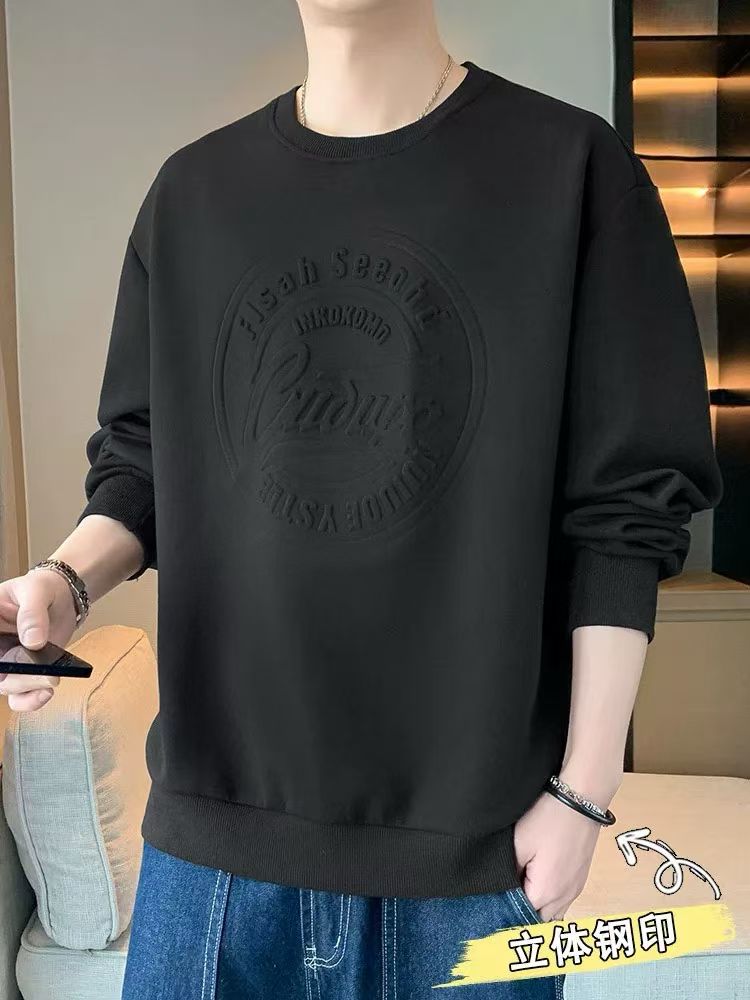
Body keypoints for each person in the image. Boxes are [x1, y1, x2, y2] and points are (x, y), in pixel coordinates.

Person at [0, 1, 723, 997]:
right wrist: (64, 583)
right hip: (210, 860)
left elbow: (626, 510)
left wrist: (584, 793)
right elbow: (142, 463)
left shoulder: (573, 172)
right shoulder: (193, 196)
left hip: (473, 867)